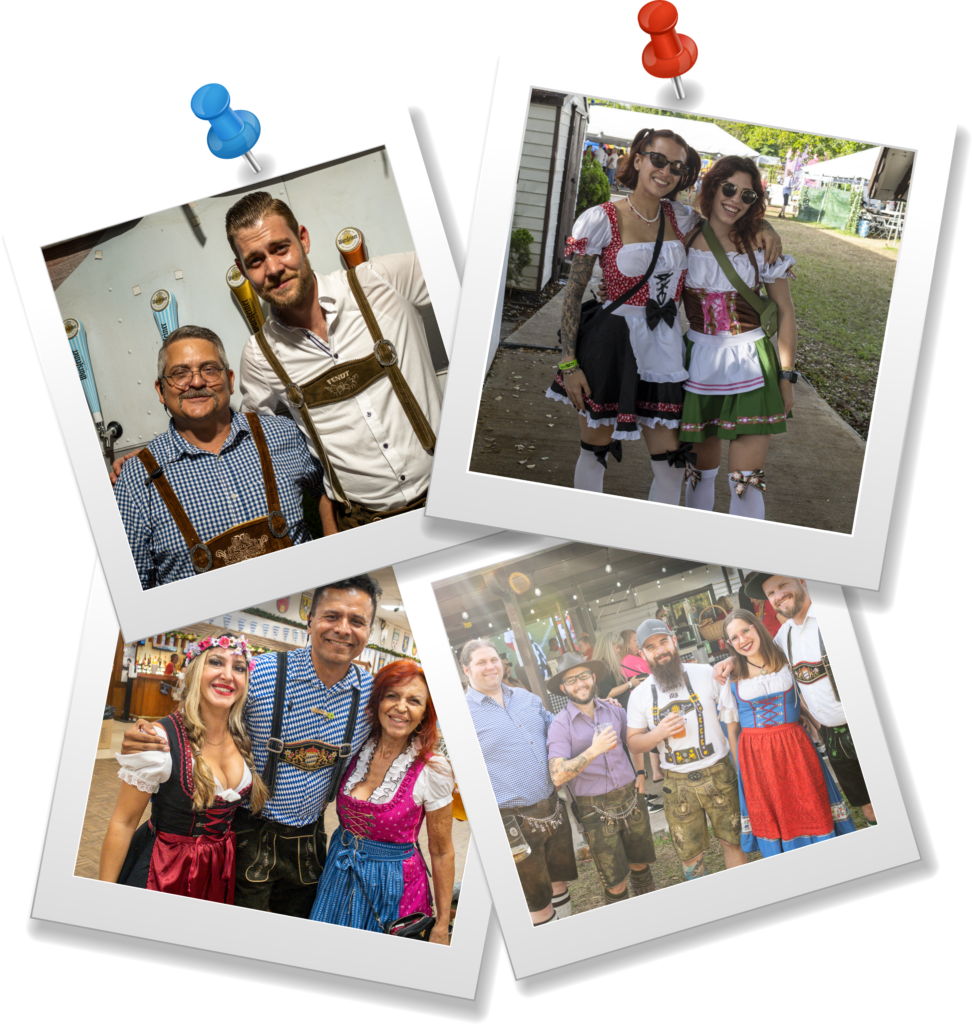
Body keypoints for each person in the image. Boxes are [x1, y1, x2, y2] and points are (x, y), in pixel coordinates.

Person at [113, 193, 441, 534]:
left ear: (303, 239)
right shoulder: (258, 356)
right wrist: (149, 462)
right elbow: (243, 437)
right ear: (242, 270)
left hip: (448, 491)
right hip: (364, 526)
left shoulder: (383, 281)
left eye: (280, 248)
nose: (273, 269)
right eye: (255, 261)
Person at [121, 576, 381, 914]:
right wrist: (150, 731)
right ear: (310, 621)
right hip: (246, 833)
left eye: (357, 621)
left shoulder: (373, 698)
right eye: (331, 616)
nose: (343, 629)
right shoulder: (260, 672)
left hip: (311, 840)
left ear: (368, 632)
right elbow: (203, 710)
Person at [549, 128, 782, 504]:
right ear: (638, 159)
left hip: (666, 348)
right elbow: (573, 297)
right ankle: (584, 531)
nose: (666, 171)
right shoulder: (601, 218)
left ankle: (659, 541)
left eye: (677, 166)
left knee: (673, 463)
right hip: (611, 342)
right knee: (595, 452)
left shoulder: (683, 218)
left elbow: (729, 222)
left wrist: (767, 226)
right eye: (658, 159)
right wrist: (568, 362)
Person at [112, 326, 327, 588]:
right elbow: (132, 587)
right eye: (180, 374)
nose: (197, 382)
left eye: (209, 369)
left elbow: (328, 491)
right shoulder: (135, 479)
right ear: (160, 390)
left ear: (230, 380)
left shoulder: (284, 434)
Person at [100, 633, 267, 903]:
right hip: (165, 870)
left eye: (239, 668)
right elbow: (124, 821)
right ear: (194, 672)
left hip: (219, 870)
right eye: (216, 662)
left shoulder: (243, 737)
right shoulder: (160, 740)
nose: (227, 675)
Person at [678, 156, 798, 520]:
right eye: (729, 188)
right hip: (699, 364)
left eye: (748, 195)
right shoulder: (683, 231)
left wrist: (786, 375)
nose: (735, 200)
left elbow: (786, 313)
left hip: (753, 364)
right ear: (712, 187)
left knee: (746, 481)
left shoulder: (761, 247)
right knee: (698, 475)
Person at [309, 660, 454, 944]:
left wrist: (442, 925)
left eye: (414, 701)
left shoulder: (433, 769)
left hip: (394, 886)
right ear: (377, 702)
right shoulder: (357, 747)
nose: (401, 707)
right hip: (339, 873)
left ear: (425, 713)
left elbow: (442, 851)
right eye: (392, 696)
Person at [715, 573, 875, 826]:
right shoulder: (784, 637)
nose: (778, 596)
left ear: (802, 580)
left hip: (866, 726)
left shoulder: (835, 617)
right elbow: (760, 656)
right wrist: (731, 660)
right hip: (832, 736)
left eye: (782, 586)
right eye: (771, 594)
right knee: (868, 805)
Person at [718, 609, 855, 857]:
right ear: (729, 644)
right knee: (775, 810)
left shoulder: (785, 658)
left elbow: (804, 699)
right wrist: (742, 771)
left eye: (745, 631)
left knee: (808, 802)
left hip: (795, 747)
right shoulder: (733, 676)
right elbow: (732, 730)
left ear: (756, 627)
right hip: (756, 757)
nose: (742, 640)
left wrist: (820, 728)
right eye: (734, 638)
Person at [461, 638, 576, 925]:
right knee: (537, 899)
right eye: (481, 662)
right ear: (466, 670)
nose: (490, 666)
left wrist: (595, 707)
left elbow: (559, 729)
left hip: (551, 807)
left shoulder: (527, 697)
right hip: (511, 822)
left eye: (494, 659)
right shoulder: (460, 716)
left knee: (559, 882)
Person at [626, 619, 746, 880]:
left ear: (674, 641)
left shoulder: (706, 673)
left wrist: (734, 661)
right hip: (677, 784)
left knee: (732, 842)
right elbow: (633, 741)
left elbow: (740, 686)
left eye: (663, 642)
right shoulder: (640, 694)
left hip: (719, 773)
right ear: (642, 654)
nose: (659, 650)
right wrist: (658, 734)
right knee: (690, 855)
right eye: (650, 647)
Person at [546, 654, 657, 906]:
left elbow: (634, 742)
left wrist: (641, 773)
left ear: (593, 678)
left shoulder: (614, 709)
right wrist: (593, 750)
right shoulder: (560, 725)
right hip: (594, 809)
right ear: (563, 688)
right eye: (571, 680)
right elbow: (557, 775)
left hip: (631, 796)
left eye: (584, 676)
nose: (580, 683)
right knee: (614, 880)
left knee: (640, 863)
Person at [619, 629, 662, 783]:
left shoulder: (629, 658)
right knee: (653, 734)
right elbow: (652, 673)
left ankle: (656, 771)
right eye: (634, 641)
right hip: (646, 699)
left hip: (644, 698)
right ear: (627, 644)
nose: (638, 643)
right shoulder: (630, 660)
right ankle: (656, 772)